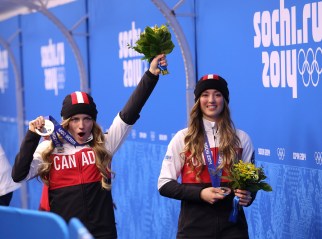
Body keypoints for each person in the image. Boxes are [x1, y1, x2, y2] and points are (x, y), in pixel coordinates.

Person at [12, 54, 167, 239]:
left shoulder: (104, 144)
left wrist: (151, 75)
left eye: (87, 119)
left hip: (103, 233)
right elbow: (18, 175)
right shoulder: (49, 149)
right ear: (66, 122)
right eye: (75, 119)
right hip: (67, 234)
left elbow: (129, 114)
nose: (81, 125)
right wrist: (31, 135)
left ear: (93, 121)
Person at [157, 74, 256, 239]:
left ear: (224, 99)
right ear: (198, 101)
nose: (211, 100)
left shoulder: (241, 139)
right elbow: (164, 185)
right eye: (205, 95)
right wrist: (200, 194)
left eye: (217, 94)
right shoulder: (183, 139)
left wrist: (249, 195)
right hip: (193, 229)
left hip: (233, 229)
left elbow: (251, 184)